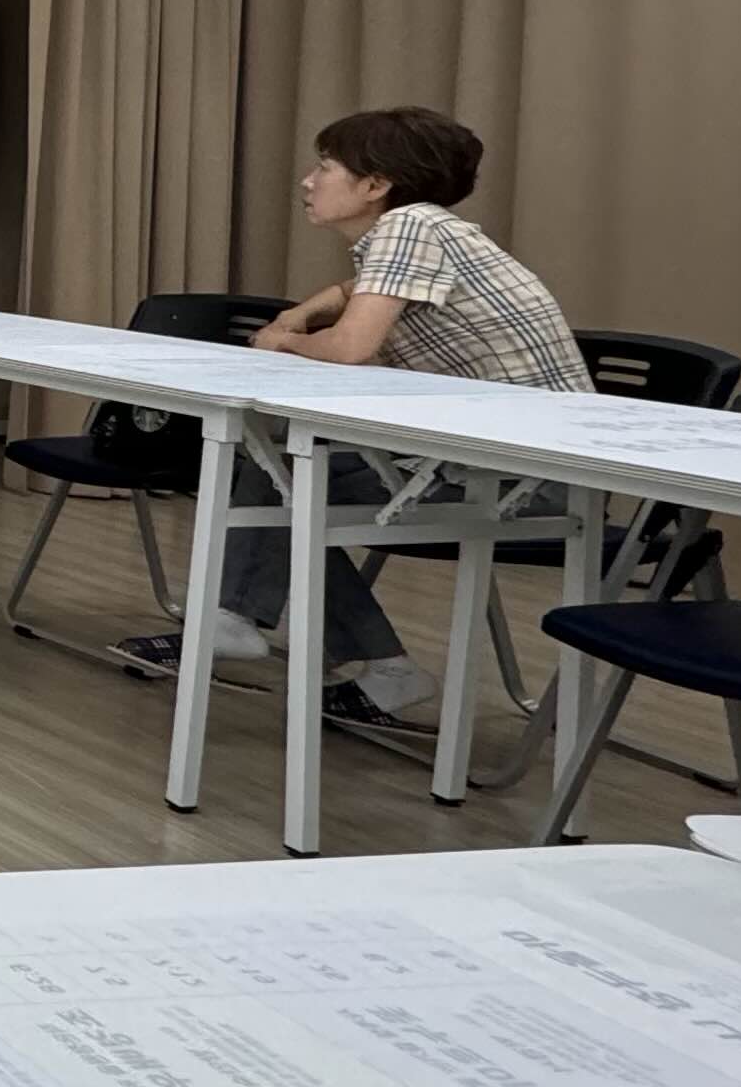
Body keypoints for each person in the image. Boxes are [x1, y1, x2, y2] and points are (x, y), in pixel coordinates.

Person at [122, 105, 593, 728]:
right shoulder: (422, 233)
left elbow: (351, 347)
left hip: (531, 481)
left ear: (376, 184)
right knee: (283, 466)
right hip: (486, 461)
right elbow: (352, 294)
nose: (308, 180)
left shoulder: (411, 226)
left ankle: (240, 618)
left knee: (288, 476)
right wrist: (302, 313)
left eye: (325, 167)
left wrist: (284, 340)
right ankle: (360, 662)